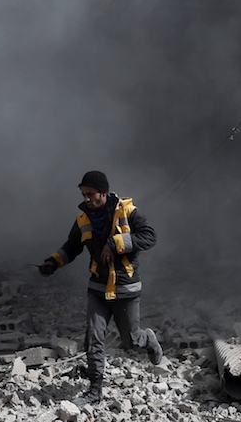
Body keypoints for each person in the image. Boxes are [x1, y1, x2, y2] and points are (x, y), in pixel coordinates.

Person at [38, 170, 162, 403]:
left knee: (131, 341)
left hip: (126, 289)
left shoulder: (128, 212)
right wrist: (53, 263)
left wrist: (115, 243)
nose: (86, 199)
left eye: (90, 194)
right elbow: (71, 247)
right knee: (94, 336)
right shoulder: (83, 219)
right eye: (83, 194)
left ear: (103, 194)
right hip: (98, 287)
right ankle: (95, 390)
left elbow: (150, 236)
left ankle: (148, 339)